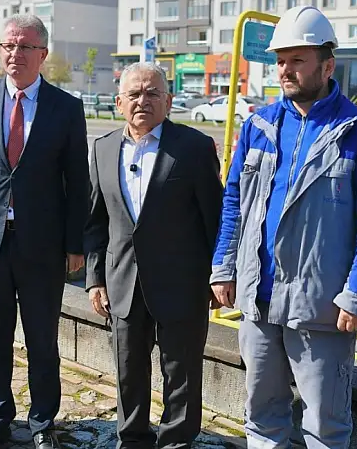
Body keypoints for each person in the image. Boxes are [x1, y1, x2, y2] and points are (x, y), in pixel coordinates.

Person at [210, 5, 357, 448]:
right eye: (280, 60)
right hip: (259, 298)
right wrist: (223, 264)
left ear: (327, 66)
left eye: (297, 60)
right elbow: (234, 199)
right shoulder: (259, 125)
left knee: (325, 425)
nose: (285, 70)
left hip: (322, 306)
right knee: (261, 415)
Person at [0, 14, 89, 449]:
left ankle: (42, 422)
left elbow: (77, 181)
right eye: (8, 46)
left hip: (42, 245)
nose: (15, 54)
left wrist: (75, 244)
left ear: (42, 54)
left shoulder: (66, 107)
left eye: (25, 47)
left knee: (42, 340)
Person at [84, 62, 223, 449]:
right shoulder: (103, 148)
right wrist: (95, 278)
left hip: (182, 282)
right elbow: (95, 221)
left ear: (169, 101)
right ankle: (133, 439)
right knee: (129, 370)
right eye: (134, 94)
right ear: (118, 102)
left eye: (152, 93)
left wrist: (217, 274)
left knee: (181, 371)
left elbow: (214, 216)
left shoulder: (194, 147)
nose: (142, 101)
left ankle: (177, 441)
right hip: (123, 281)